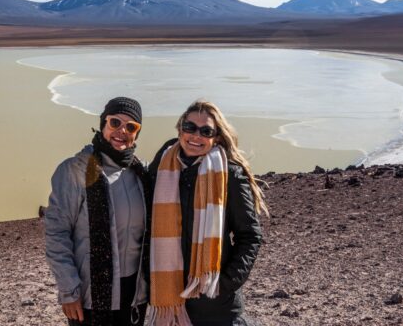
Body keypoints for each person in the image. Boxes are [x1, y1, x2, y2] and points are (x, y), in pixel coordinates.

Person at [148, 100, 267, 326]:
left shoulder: (229, 175)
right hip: (169, 295)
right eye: (190, 127)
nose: (196, 136)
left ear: (217, 137)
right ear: (180, 128)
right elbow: (147, 221)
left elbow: (250, 236)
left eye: (206, 131)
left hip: (215, 305)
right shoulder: (163, 165)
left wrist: (224, 284)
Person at [45, 97, 151, 326]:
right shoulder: (75, 171)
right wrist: (69, 291)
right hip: (90, 296)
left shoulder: (142, 175)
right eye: (115, 122)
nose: (121, 131)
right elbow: (57, 234)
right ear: (103, 124)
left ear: (137, 134)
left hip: (135, 295)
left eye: (131, 127)